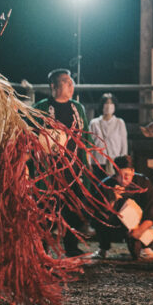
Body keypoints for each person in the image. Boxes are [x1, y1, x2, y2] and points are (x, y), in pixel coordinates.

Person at [34, 69, 89, 256]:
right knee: (46, 210)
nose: (71, 85)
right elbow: (29, 133)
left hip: (72, 170)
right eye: (66, 82)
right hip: (48, 171)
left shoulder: (78, 109)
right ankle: (42, 249)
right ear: (53, 86)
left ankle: (71, 248)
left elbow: (86, 140)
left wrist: (84, 166)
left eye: (72, 82)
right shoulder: (41, 107)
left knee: (72, 210)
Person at [92, 155, 153, 260]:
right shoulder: (106, 184)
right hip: (115, 225)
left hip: (140, 225)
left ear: (132, 171)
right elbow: (98, 212)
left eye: (127, 175)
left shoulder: (143, 183)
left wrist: (139, 231)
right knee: (99, 217)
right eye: (119, 176)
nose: (123, 180)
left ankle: (146, 248)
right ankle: (103, 248)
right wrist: (112, 199)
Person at [89, 93, 128, 177]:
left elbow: (124, 145)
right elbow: (89, 145)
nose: (108, 106)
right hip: (97, 162)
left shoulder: (119, 122)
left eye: (111, 103)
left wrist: (123, 164)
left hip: (115, 162)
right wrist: (88, 163)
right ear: (102, 105)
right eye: (106, 103)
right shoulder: (94, 123)